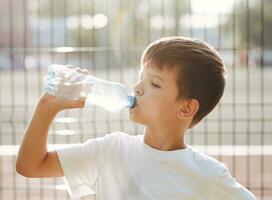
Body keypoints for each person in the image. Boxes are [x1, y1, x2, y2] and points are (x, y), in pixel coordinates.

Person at [16, 36, 257, 200]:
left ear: (186, 109)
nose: (138, 87)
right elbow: (30, 165)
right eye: (141, 77)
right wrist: (47, 108)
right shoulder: (111, 149)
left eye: (154, 83)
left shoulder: (208, 175)